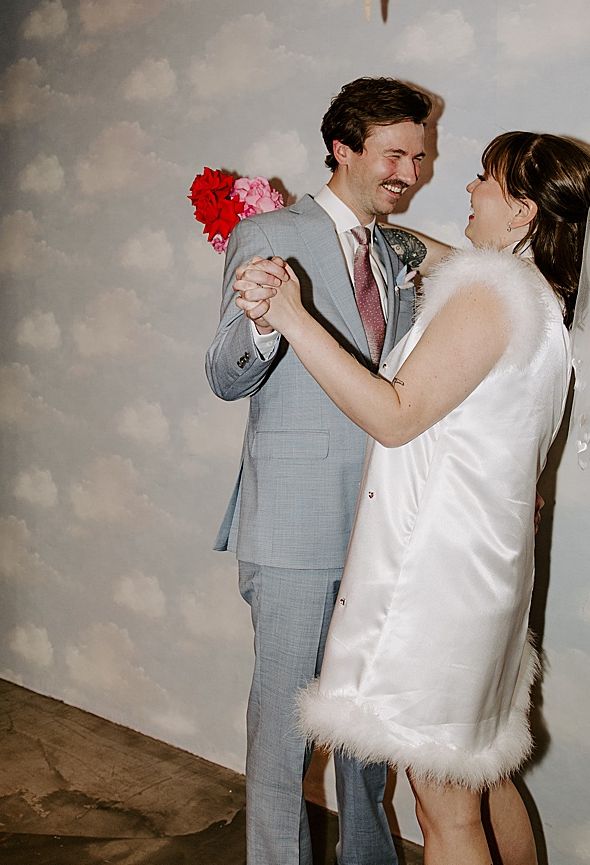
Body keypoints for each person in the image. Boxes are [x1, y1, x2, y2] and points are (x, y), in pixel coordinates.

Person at [235, 132, 590, 865]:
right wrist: (365, 229)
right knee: (483, 778)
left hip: (438, 581)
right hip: (487, 569)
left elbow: (395, 416)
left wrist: (293, 315)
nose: (468, 189)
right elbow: (435, 255)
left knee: (443, 808)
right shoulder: (542, 300)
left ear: (520, 211)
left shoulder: (490, 293)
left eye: (484, 179)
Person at [206, 77, 432, 865]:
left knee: (364, 728)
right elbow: (224, 375)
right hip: (295, 528)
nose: (411, 171)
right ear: (344, 147)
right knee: (286, 737)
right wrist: (265, 326)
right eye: (395, 153)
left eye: (420, 155)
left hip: (382, 531)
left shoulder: (397, 252)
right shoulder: (270, 232)